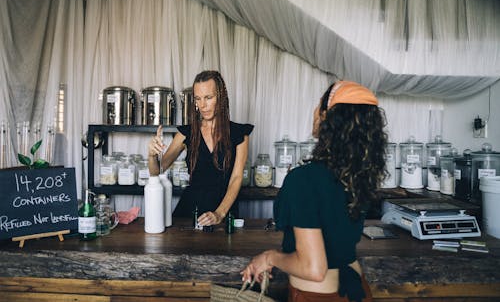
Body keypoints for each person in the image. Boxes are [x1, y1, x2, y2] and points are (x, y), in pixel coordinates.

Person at [241, 80, 388, 302]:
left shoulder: (304, 179)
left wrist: (269, 257)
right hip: (358, 291)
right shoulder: (359, 177)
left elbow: (313, 269)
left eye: (319, 104)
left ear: (327, 117)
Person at [148, 70, 253, 226]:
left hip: (224, 212)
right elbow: (157, 171)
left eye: (208, 98)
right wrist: (151, 155)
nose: (202, 105)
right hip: (190, 211)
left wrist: (219, 213)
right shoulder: (186, 133)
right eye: (198, 99)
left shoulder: (240, 134)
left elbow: (236, 178)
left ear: (221, 97)